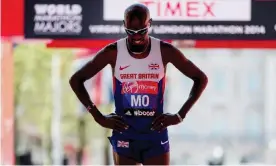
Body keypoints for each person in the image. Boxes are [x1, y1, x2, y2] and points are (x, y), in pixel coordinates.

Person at [69, 3, 208, 165]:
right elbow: (76, 80)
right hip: (125, 133)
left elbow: (201, 78)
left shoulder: (164, 50)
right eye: (130, 32)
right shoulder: (113, 52)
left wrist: (180, 115)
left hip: (155, 134)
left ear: (150, 24)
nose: (136, 37)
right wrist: (98, 116)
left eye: (141, 31)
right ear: (124, 26)